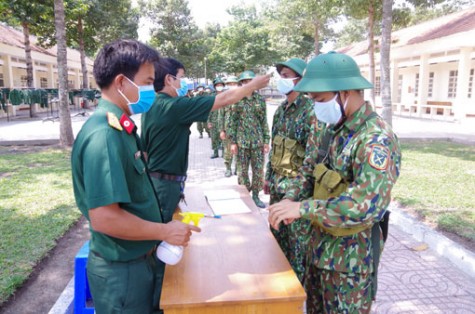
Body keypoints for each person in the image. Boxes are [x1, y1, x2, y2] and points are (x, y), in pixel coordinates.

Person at [71, 40, 200, 314]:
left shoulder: (121, 126)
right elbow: (105, 218)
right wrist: (165, 230)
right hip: (122, 273)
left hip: (136, 262)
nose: (152, 90)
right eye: (147, 82)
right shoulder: (106, 135)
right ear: (121, 82)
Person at [268, 52, 401, 313]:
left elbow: (364, 205)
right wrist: (289, 198)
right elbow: (309, 171)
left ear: (345, 92)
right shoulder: (333, 130)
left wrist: (303, 209)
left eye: (320, 100)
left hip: (348, 266)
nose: (316, 106)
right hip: (317, 251)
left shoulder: (375, 140)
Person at [141, 58, 270, 224]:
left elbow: (144, 151)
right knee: (165, 233)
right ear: (168, 79)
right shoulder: (174, 106)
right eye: (181, 78)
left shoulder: (150, 107)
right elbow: (223, 99)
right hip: (166, 186)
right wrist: (252, 85)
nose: (183, 84)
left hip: (156, 182)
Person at [264, 58, 325, 285]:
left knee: (297, 250)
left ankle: (296, 297)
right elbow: (274, 144)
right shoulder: (281, 111)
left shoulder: (311, 111)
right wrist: (268, 176)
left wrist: (294, 195)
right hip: (278, 188)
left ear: (301, 79)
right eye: (281, 75)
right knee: (277, 243)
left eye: (288, 75)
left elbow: (311, 159)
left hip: (297, 193)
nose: (283, 80)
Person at [229, 70, 270, 208]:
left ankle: (256, 195)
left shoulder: (260, 100)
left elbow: (264, 121)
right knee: (242, 171)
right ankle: (245, 195)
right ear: (241, 84)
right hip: (241, 142)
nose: (247, 84)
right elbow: (232, 122)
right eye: (245, 82)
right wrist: (233, 142)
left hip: (257, 141)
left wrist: (266, 140)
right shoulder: (236, 99)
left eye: (250, 81)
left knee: (258, 170)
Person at [219, 75, 239, 177]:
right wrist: (221, 130)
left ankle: (237, 169)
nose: (232, 86)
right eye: (230, 84)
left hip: (240, 130)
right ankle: (228, 169)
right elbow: (221, 115)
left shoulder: (241, 97)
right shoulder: (224, 98)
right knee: (227, 151)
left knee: (238, 150)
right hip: (227, 130)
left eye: (234, 84)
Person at [208, 77, 225, 159]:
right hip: (214, 120)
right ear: (215, 86)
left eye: (221, 85)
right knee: (214, 138)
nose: (219, 86)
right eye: (217, 85)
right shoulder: (211, 96)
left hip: (224, 120)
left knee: (224, 137)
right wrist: (208, 121)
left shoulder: (226, 94)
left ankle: (224, 153)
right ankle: (215, 153)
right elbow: (208, 109)